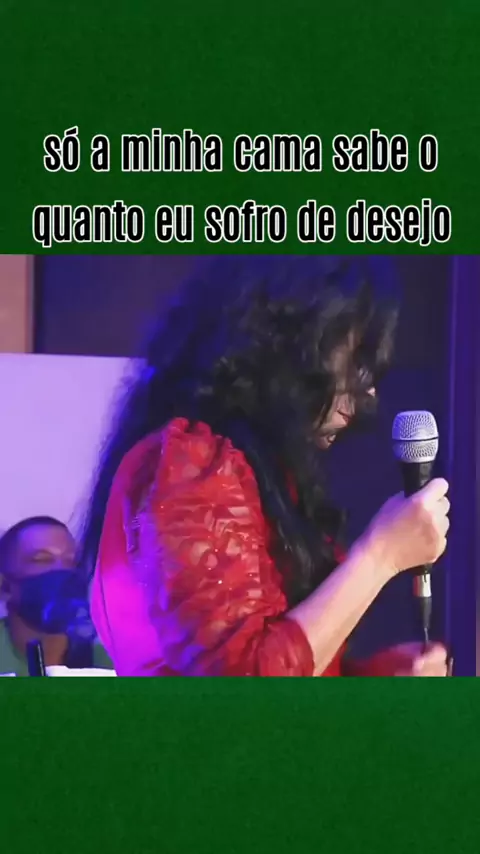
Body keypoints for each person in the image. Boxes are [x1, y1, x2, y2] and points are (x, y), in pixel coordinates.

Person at [82, 256, 450, 677]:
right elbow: (244, 685)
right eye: (357, 362)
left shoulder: (258, 469)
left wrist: (378, 678)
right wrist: (381, 555)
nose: (367, 392)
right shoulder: (193, 462)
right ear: (288, 341)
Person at [0, 516, 113, 675]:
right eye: (42, 560)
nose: (62, 570)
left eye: (72, 562)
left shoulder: (109, 663)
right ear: (6, 586)